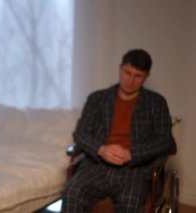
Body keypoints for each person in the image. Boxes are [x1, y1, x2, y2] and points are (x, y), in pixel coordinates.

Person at [61, 49, 173, 213]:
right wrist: (101, 149)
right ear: (120, 68)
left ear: (146, 76)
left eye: (138, 76)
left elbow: (164, 141)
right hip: (97, 165)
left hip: (134, 170)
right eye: (127, 72)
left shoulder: (156, 102)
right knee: (72, 192)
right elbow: (80, 134)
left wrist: (132, 154)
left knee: (131, 203)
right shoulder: (97, 98)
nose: (131, 80)